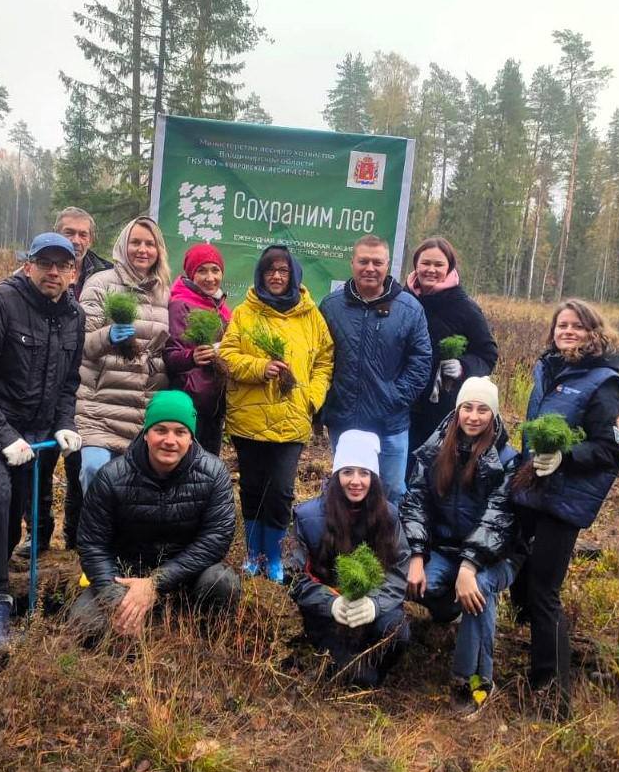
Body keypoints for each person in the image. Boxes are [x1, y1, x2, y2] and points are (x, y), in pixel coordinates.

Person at [0, 233, 85, 660]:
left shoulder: (74, 316)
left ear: (72, 272)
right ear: (27, 265)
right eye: (44, 263)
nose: (53, 272)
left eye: (61, 265)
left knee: (11, 523)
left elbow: (68, 382)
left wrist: (64, 424)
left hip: (38, 436)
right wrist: (4, 435)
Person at [511, 300, 619, 719]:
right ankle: (530, 649)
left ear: (593, 332)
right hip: (532, 490)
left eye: (576, 326)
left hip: (563, 501)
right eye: (561, 325)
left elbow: (613, 447)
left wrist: (565, 457)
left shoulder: (604, 383)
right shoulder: (549, 368)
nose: (567, 332)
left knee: (544, 593)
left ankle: (551, 700)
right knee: (519, 575)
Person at [72, 391, 240, 639]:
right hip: (126, 576)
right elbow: (92, 544)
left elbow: (216, 539)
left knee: (222, 581)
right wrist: (118, 600)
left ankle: (199, 639)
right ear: (146, 433)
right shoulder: (111, 477)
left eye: (180, 432)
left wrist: (155, 583)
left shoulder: (214, 474)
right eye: (160, 430)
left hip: (187, 575)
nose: (170, 440)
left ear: (191, 438)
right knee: (86, 625)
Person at [401, 377, 522, 716]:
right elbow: (416, 502)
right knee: (409, 580)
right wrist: (416, 555)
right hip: (444, 547)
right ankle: (442, 613)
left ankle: (473, 681)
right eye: (467, 407)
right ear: (456, 412)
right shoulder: (435, 448)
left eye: (483, 409)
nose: (473, 416)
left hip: (495, 556)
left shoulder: (507, 460)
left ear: (494, 415)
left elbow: (499, 520)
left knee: (478, 591)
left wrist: (469, 567)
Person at [219, 244, 334, 582]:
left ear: (294, 274)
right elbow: (226, 355)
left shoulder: (311, 315)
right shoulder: (245, 312)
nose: (276, 276)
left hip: (292, 419)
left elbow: (325, 361)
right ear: (261, 274)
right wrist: (260, 367)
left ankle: (274, 557)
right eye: (270, 270)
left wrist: (311, 398)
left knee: (282, 490)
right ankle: (254, 554)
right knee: (253, 488)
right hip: (249, 419)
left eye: (283, 270)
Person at [15, 206, 112, 558]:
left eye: (83, 234)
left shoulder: (106, 275)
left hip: (88, 390)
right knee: (37, 465)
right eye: (70, 232)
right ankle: (37, 533)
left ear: (92, 239)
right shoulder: (33, 274)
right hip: (39, 387)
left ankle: (76, 538)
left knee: (78, 468)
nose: (76, 239)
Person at [286, 430, 410, 688]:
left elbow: (399, 570)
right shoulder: (308, 517)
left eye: (364, 473)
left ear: (373, 478)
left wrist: (375, 604)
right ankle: (356, 671)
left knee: (398, 634)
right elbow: (293, 575)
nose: (356, 481)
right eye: (348, 472)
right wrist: (331, 603)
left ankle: (369, 669)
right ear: (336, 475)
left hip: (374, 609)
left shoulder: (388, 515)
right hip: (328, 615)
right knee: (360, 678)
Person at [319, 234, 432, 506]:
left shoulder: (409, 308)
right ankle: (347, 546)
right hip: (345, 419)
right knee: (347, 491)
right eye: (363, 261)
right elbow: (319, 358)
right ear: (352, 264)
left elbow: (421, 360)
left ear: (388, 265)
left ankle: (387, 547)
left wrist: (395, 396)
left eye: (377, 262)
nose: (370, 268)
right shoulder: (331, 306)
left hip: (390, 422)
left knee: (391, 490)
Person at [76, 216, 171, 493]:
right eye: (136, 242)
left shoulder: (165, 293)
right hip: (100, 408)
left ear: (158, 250)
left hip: (144, 409)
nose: (142, 250)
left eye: (149, 244)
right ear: (123, 246)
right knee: (95, 473)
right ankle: (92, 536)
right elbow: (79, 344)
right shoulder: (100, 283)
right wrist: (107, 336)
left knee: (134, 492)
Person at [404, 237, 498, 462]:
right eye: (425, 263)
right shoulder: (402, 299)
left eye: (439, 265)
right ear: (416, 265)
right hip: (402, 404)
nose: (431, 269)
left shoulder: (464, 307)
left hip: (442, 409)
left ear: (450, 268)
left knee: (432, 469)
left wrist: (463, 366)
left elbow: (488, 354)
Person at [165, 243, 232, 456]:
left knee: (209, 465)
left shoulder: (222, 308)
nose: (209, 277)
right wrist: (192, 357)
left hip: (215, 403)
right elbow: (170, 355)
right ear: (191, 274)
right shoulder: (180, 305)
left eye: (215, 270)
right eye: (201, 271)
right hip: (190, 402)